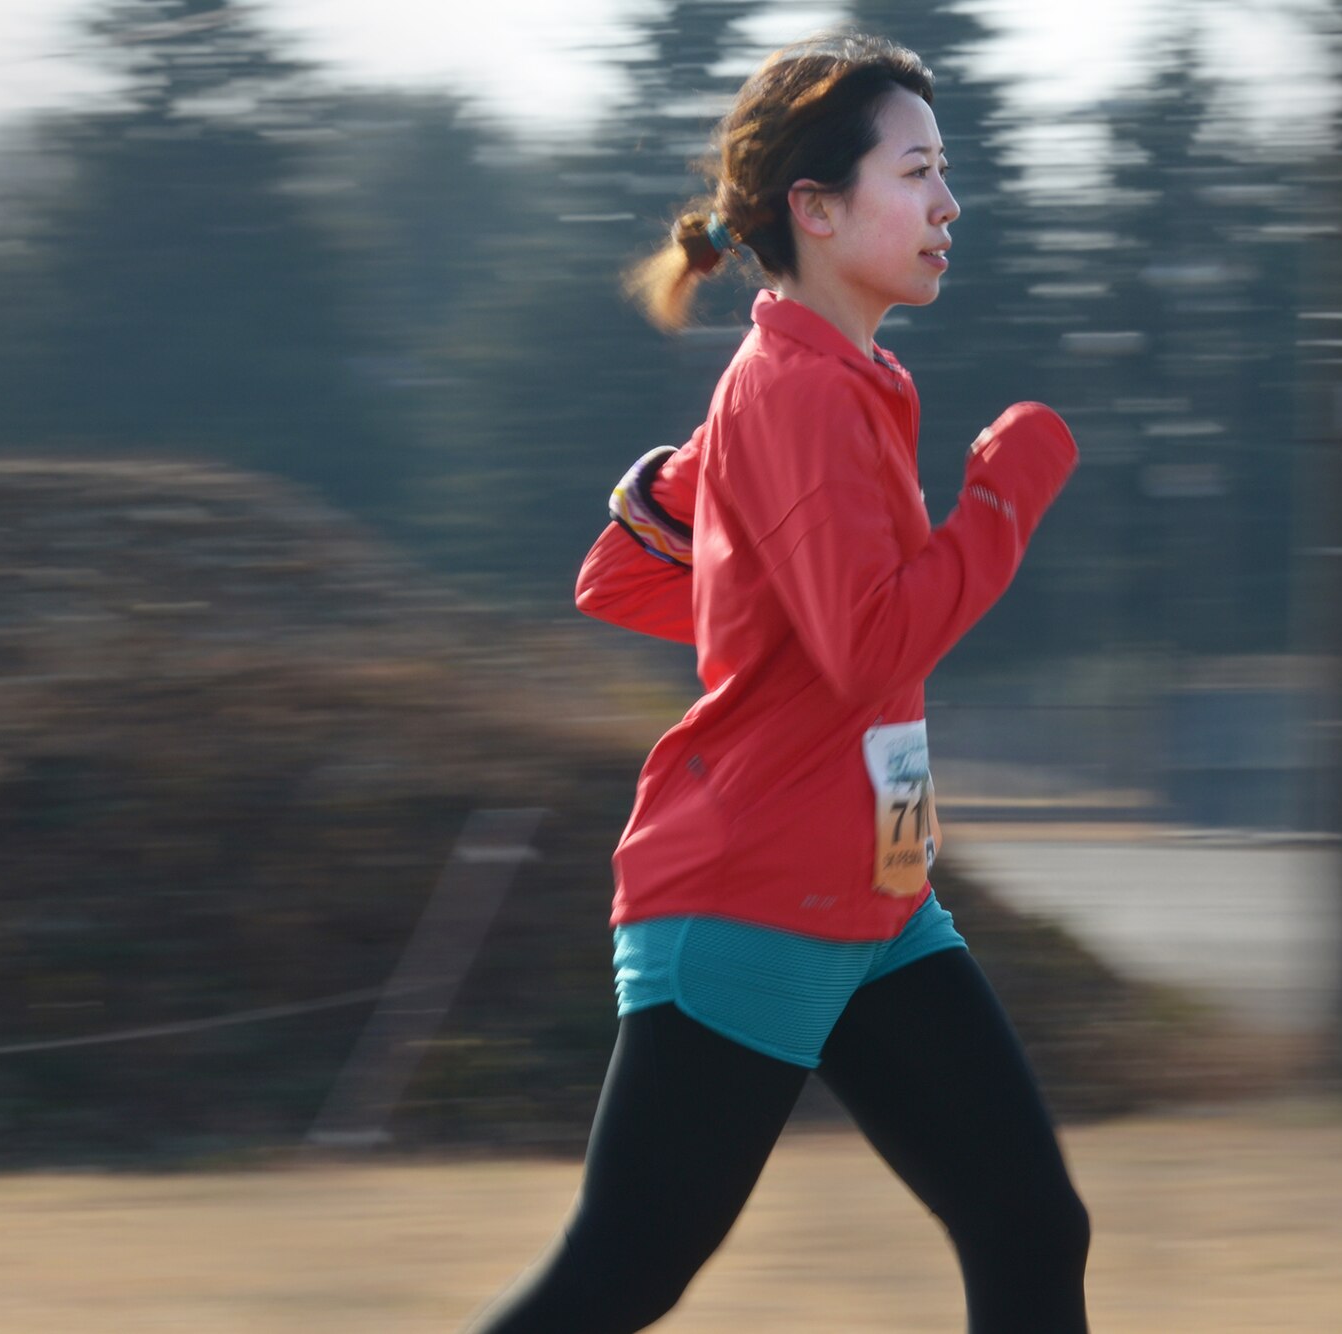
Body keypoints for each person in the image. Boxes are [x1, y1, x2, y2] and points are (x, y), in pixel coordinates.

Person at [462, 32, 1086, 1334]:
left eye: (944, 173)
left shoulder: (838, 380)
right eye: (916, 172)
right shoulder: (796, 390)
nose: (946, 204)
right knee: (620, 1274)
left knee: (1030, 1222)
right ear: (814, 206)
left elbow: (622, 579)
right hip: (752, 898)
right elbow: (870, 644)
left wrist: (726, 564)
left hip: (874, 897)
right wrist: (1005, 504)